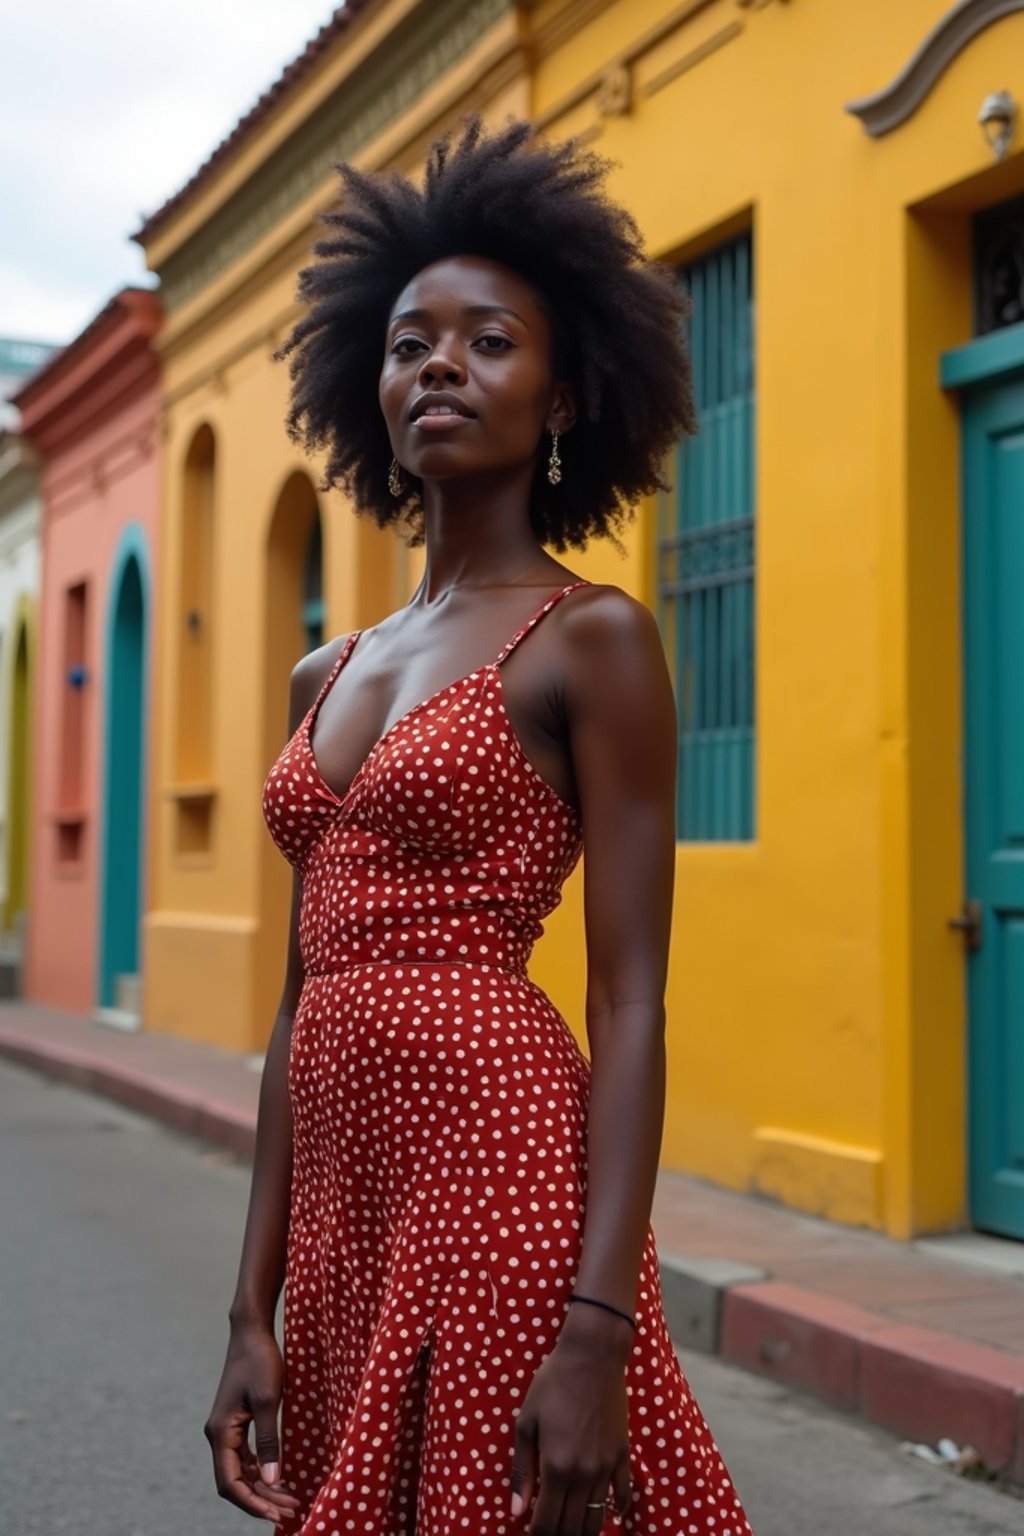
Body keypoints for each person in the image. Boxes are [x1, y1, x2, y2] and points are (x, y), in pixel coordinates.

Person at [204, 116, 753, 1536]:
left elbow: (631, 1001)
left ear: (565, 398)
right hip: (341, 1215)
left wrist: (600, 1323)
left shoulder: (596, 641)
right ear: (367, 389)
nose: (439, 363)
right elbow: (298, 1001)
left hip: (499, 1177)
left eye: (489, 340)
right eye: (407, 341)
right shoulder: (323, 668)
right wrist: (247, 1303)